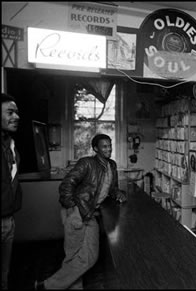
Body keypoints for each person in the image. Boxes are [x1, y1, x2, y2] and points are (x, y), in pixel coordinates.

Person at [35, 134, 127, 290]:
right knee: (73, 256)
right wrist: (72, 208)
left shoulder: (111, 165)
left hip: (89, 214)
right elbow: (66, 184)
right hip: (77, 211)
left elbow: (111, 188)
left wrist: (117, 193)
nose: (108, 149)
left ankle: (47, 286)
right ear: (95, 148)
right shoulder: (87, 163)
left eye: (110, 146)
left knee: (89, 256)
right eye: (104, 146)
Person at [2, 93, 21, 290]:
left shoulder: (12, 146)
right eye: (10, 112)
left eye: (16, 112)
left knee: (4, 276)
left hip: (9, 219)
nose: (16, 117)